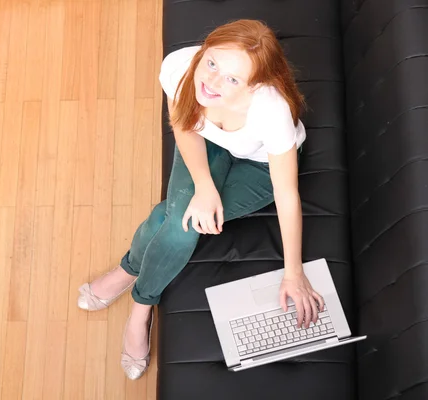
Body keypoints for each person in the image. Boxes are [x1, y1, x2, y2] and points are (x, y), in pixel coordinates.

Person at [77, 19, 325, 380]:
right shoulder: (182, 68)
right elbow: (184, 123)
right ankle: (138, 294)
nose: (211, 82)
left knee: (175, 220)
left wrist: (293, 273)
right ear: (205, 50)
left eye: (233, 80)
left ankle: (134, 286)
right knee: (180, 224)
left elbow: (286, 193)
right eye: (212, 63)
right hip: (207, 143)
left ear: (256, 85)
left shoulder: (271, 111)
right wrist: (204, 187)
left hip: (258, 167)